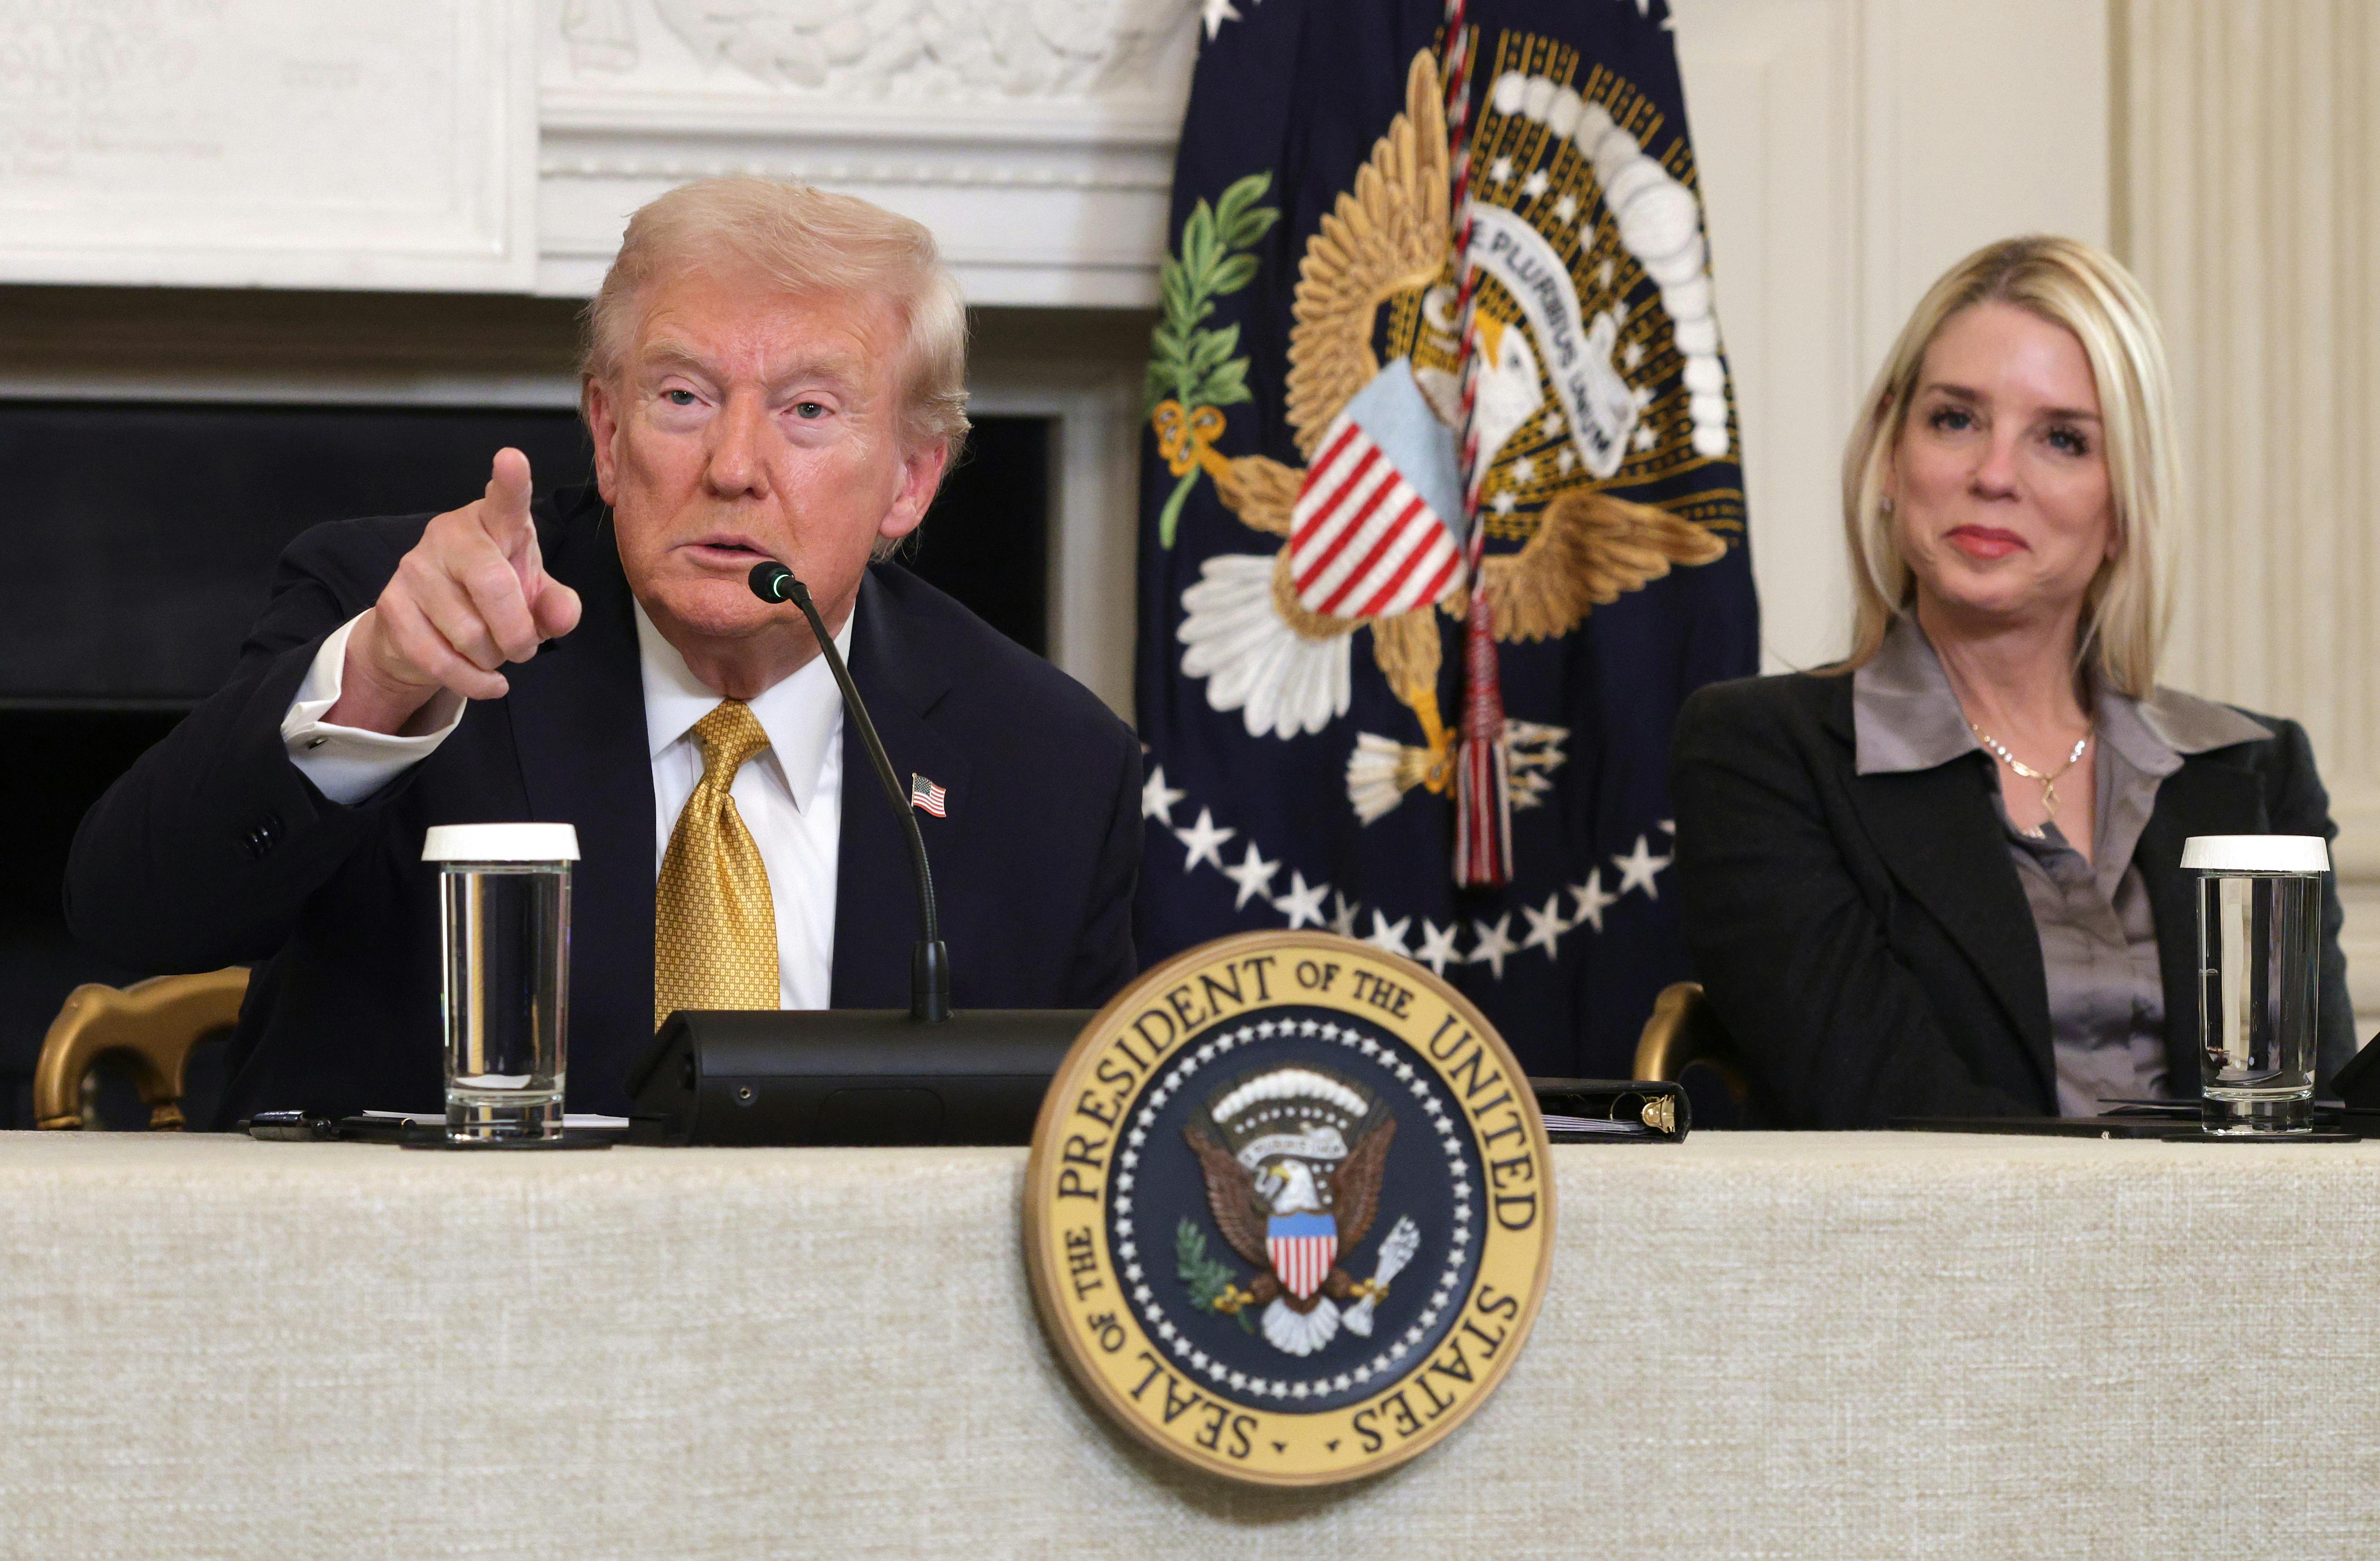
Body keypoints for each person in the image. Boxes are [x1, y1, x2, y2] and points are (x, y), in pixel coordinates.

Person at [67, 179, 1143, 1125]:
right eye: (684, 397)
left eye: (808, 411)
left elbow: (1082, 1174)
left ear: (911, 479)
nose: (734, 467)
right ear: (609, 433)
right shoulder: (413, 621)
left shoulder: (1046, 765)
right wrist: (380, 679)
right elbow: (128, 913)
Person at [1670, 235, 2351, 1128]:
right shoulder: (1759, 754)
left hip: (2239, 1266)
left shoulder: (2258, 773)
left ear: (2125, 505)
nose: (1994, 475)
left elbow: (2318, 1134)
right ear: (1888, 453)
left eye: (2063, 439)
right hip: (1928, 1265)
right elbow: (1887, 1115)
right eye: (1956, 419)